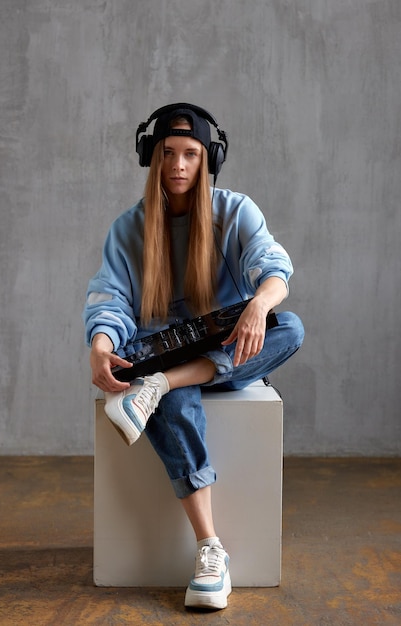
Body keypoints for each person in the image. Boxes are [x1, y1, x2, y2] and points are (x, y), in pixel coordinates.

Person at [83, 103, 304, 610]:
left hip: (223, 342)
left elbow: (273, 266)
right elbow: (110, 297)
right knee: (176, 400)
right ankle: (211, 548)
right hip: (155, 349)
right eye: (167, 154)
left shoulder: (235, 210)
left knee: (289, 326)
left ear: (208, 160)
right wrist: (100, 343)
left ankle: (163, 383)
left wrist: (257, 307)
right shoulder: (130, 228)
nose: (178, 165)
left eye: (189, 154)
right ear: (152, 158)